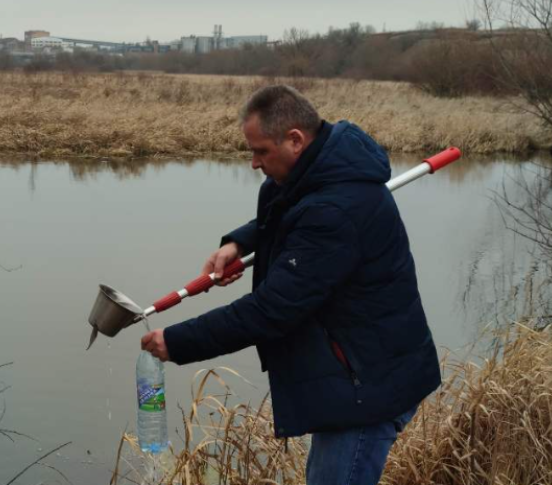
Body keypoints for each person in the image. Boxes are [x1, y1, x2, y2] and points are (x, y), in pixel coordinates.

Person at [140, 85, 440, 485]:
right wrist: (240, 242)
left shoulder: (334, 212)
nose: (253, 163)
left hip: (368, 386)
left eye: (261, 151)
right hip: (354, 372)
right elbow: (288, 216)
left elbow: (270, 310)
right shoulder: (313, 177)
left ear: (295, 140)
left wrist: (176, 342)